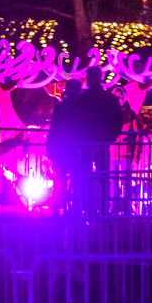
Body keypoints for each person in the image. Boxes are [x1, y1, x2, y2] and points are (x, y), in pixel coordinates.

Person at [71, 66, 124, 213]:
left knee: (84, 175)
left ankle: (84, 208)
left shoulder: (81, 99)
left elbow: (75, 121)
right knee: (103, 176)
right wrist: (110, 138)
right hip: (103, 142)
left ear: (87, 79)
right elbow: (118, 120)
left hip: (85, 143)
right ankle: (103, 208)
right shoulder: (110, 98)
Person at [47, 78, 86, 214]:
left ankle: (57, 205)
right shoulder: (83, 108)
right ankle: (76, 206)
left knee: (60, 179)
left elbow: (54, 128)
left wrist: (50, 148)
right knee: (78, 179)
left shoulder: (60, 107)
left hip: (62, 148)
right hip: (78, 149)